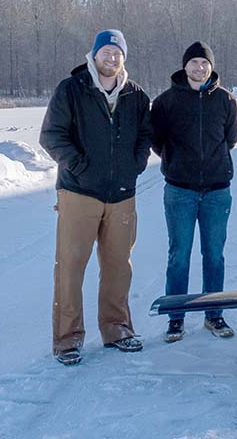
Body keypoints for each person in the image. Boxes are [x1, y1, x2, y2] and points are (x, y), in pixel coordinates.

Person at [39, 29, 151, 365]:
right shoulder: (72, 89)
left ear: (124, 58)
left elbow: (145, 135)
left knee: (119, 267)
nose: (112, 58)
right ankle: (67, 340)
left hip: (122, 195)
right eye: (106, 52)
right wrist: (79, 165)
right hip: (79, 192)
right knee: (71, 268)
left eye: (118, 53)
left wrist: (136, 163)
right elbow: (52, 135)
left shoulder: (136, 95)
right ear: (94, 54)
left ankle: (117, 328)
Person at [151, 41, 237, 342]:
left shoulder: (226, 100)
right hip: (180, 191)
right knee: (179, 256)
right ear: (184, 66)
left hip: (217, 191)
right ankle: (175, 318)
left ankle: (214, 315)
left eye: (205, 63)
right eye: (194, 63)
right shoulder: (166, 102)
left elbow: (230, 138)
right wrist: (178, 162)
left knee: (214, 255)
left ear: (211, 67)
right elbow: (157, 140)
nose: (199, 68)